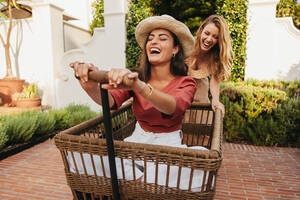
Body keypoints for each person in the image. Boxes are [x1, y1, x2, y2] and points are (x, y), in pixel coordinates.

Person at [70, 14, 196, 149]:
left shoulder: (186, 82)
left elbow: (172, 107)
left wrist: (139, 87)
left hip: (169, 146)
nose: (153, 42)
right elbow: (111, 101)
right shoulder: (137, 76)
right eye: (150, 39)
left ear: (175, 49)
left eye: (162, 38)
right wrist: (90, 86)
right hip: (137, 141)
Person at [186, 14, 233, 116]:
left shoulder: (215, 57)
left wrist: (216, 100)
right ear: (201, 30)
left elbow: (215, 81)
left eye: (215, 37)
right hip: (180, 103)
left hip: (200, 105)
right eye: (207, 33)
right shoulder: (187, 45)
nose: (209, 39)